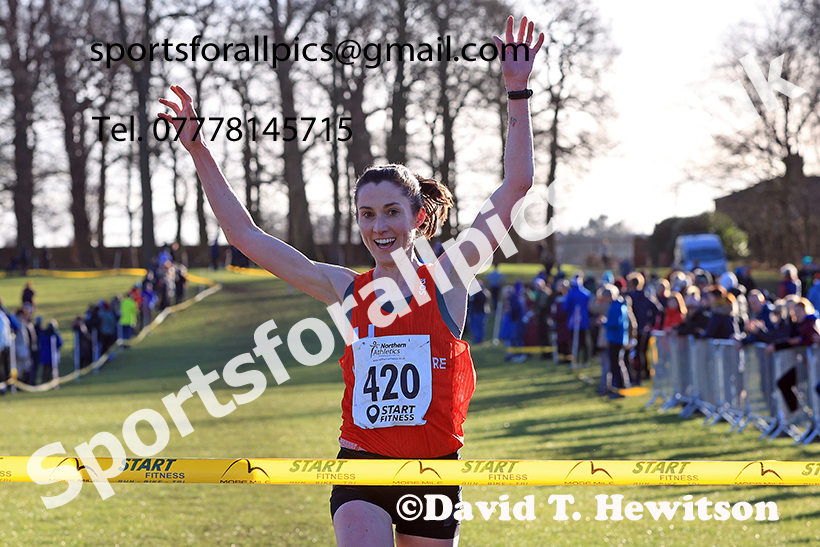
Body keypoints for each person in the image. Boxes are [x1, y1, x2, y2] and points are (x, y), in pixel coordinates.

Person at [160, 15, 543, 547]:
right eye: (367, 215)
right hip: (361, 465)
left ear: (418, 217)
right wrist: (199, 150)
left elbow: (517, 184)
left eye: (391, 212)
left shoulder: (450, 277)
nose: (379, 227)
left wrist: (517, 92)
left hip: (433, 469)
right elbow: (245, 236)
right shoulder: (345, 289)